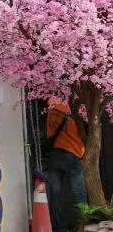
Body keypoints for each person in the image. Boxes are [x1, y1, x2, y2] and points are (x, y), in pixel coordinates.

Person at [46, 98, 87, 232]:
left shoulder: (51, 103)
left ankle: (59, 227)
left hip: (54, 153)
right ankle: (83, 224)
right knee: (78, 192)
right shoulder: (77, 107)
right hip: (71, 152)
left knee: (55, 193)